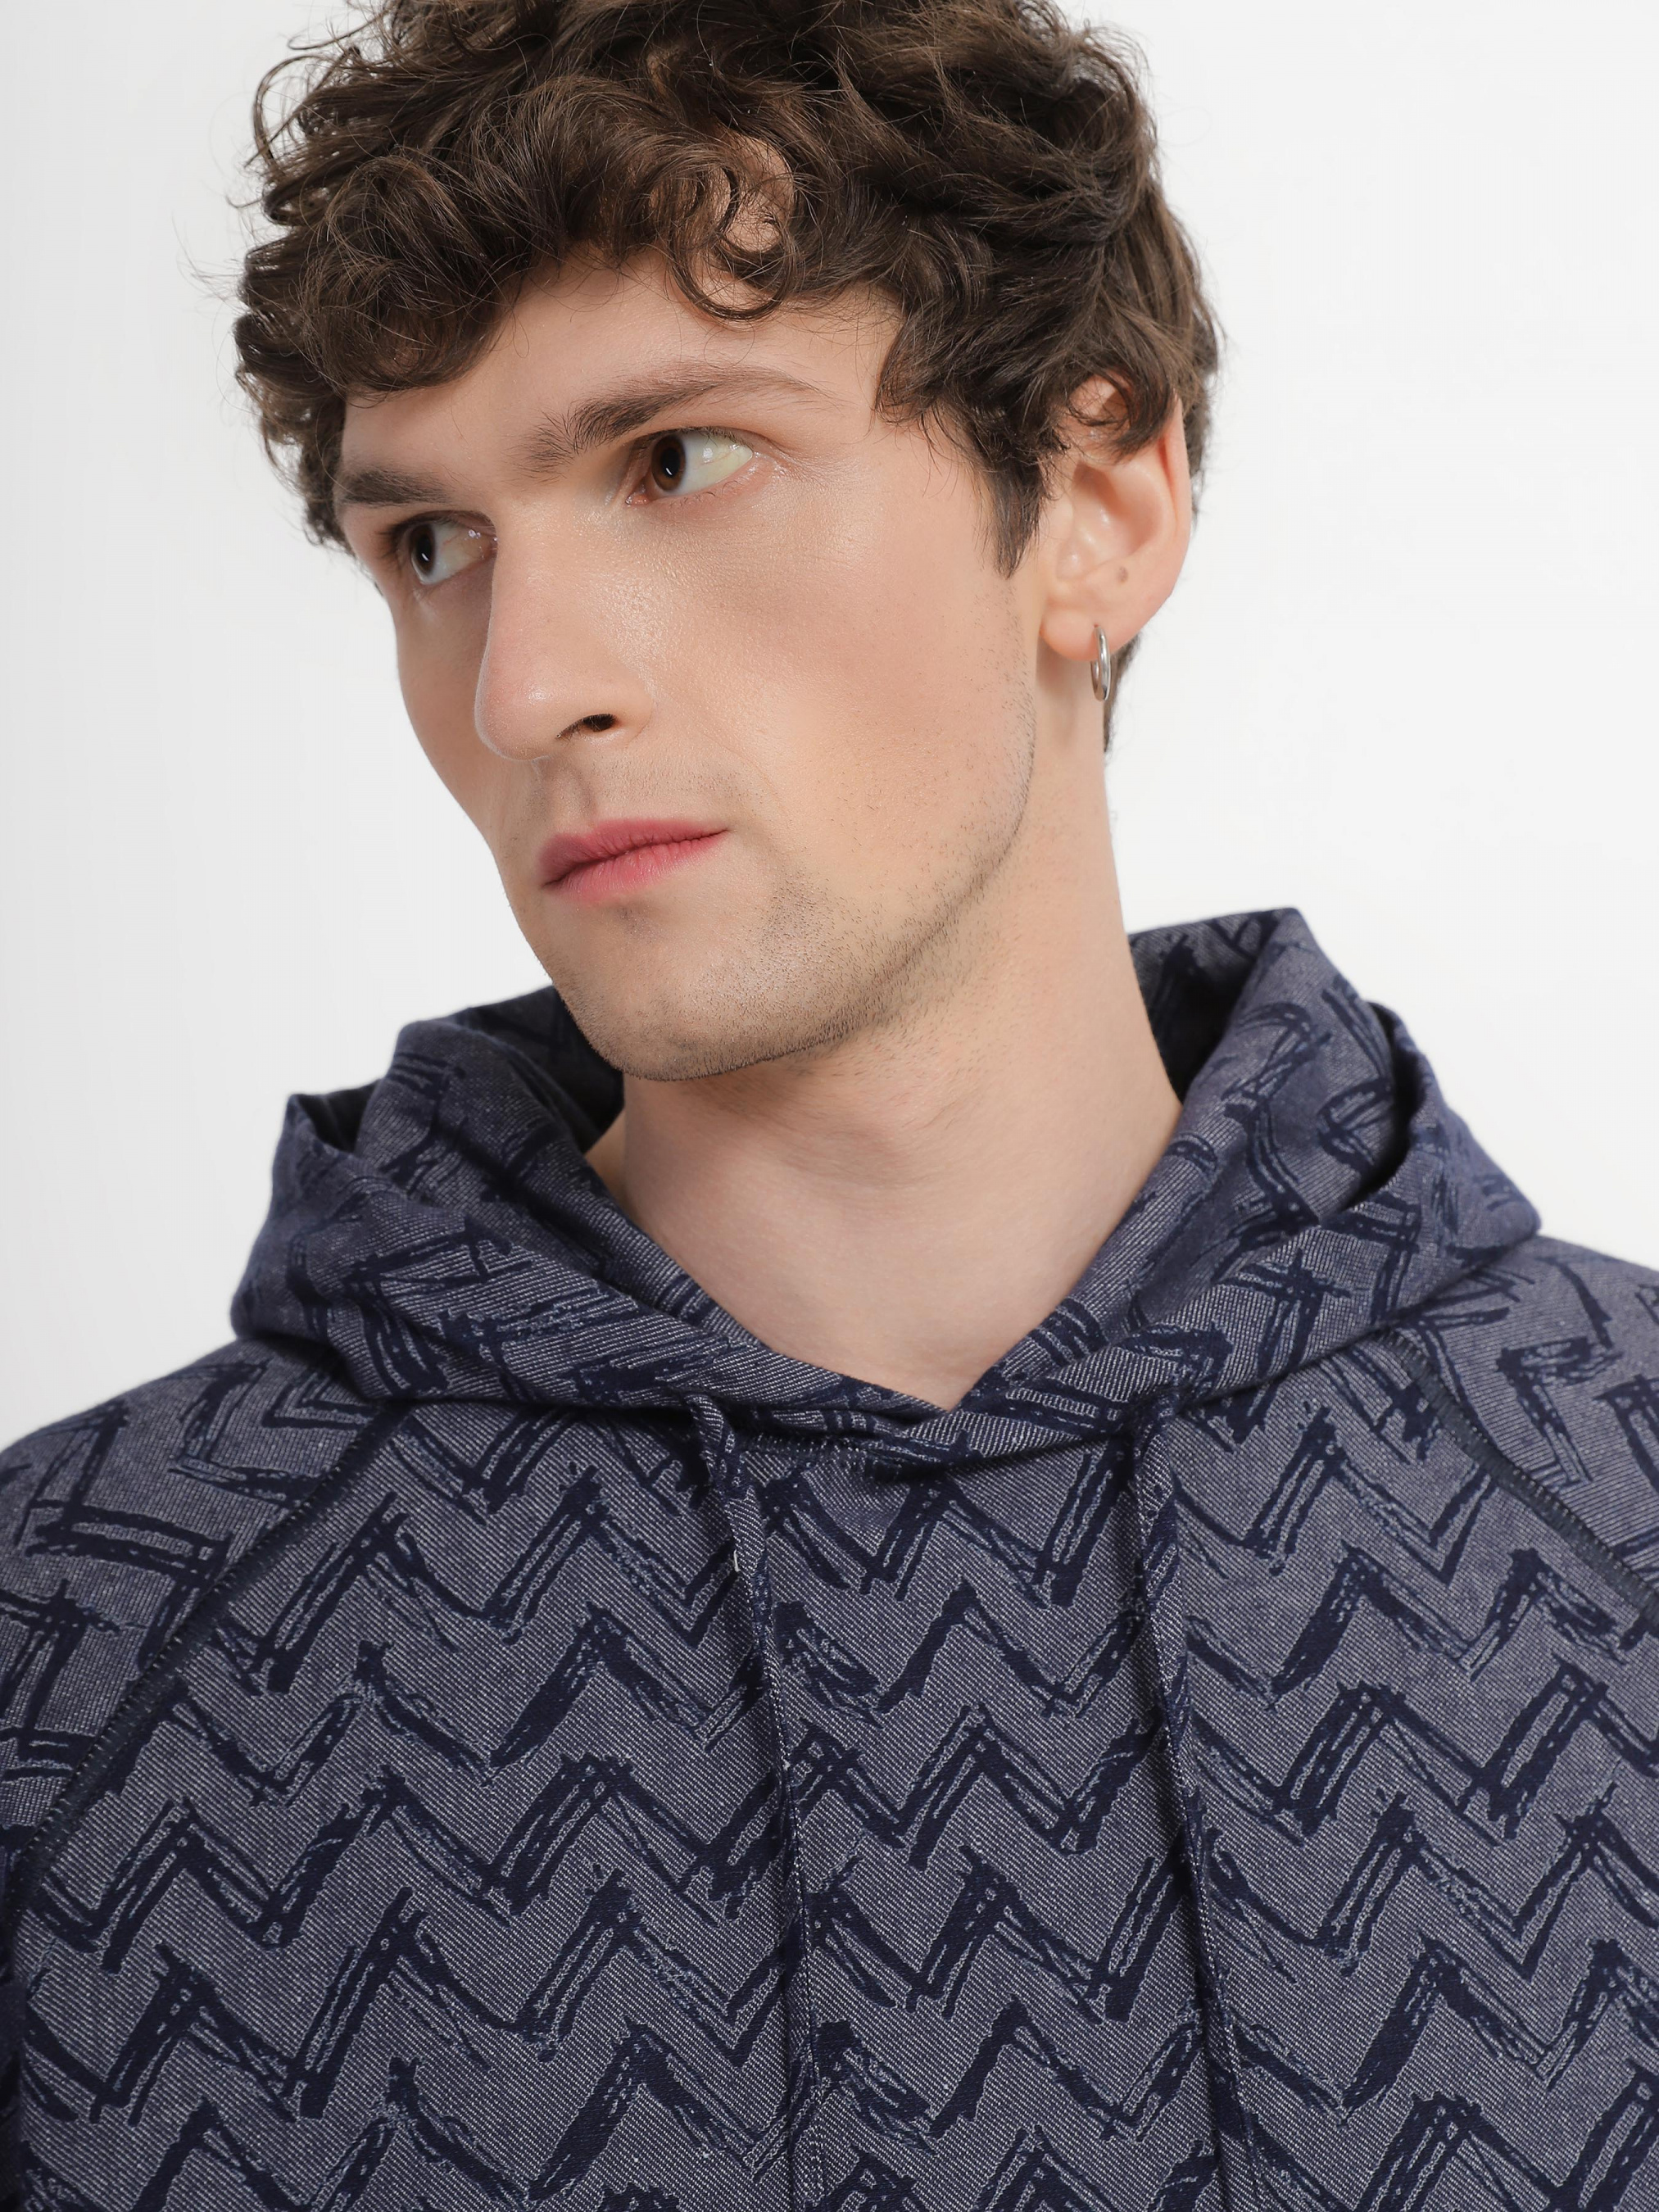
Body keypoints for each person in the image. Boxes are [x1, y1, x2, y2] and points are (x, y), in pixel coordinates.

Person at [2, 1, 1655, 2205]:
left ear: (1099, 498)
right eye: (433, 546)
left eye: (678, 461)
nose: (523, 687)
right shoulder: (65, 1653)